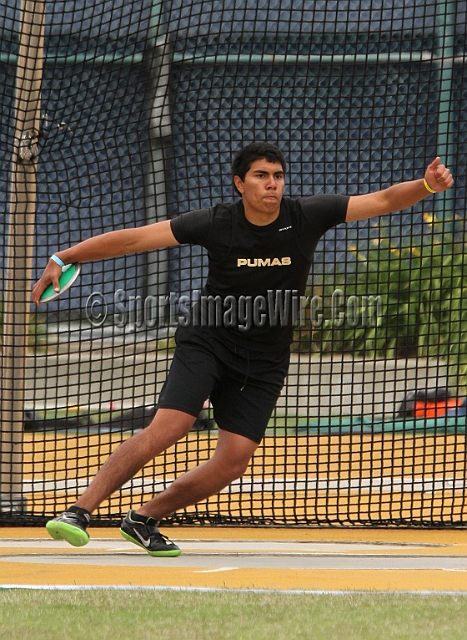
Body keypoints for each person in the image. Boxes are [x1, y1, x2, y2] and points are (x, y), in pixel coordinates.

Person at [32, 142, 453, 556]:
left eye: (278, 176)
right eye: (261, 176)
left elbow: (381, 200)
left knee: (233, 462)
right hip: (209, 340)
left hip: (265, 358)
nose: (272, 184)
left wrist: (427, 186)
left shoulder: (306, 216)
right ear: (240, 183)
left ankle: (143, 519)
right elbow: (134, 240)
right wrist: (66, 255)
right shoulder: (216, 223)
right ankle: (79, 512)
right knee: (170, 427)